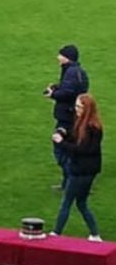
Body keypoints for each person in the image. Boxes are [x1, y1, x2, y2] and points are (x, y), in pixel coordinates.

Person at [51, 94, 103, 241]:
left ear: (87, 109)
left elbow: (81, 149)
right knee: (81, 203)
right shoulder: (85, 124)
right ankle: (95, 234)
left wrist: (61, 143)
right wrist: (63, 133)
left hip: (81, 170)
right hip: (86, 170)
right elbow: (75, 138)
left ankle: (56, 233)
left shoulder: (91, 128)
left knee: (67, 201)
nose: (76, 109)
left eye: (79, 107)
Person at [46, 45, 89, 188]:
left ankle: (73, 180)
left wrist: (53, 94)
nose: (58, 57)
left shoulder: (71, 72)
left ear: (67, 57)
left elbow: (69, 93)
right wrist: (58, 87)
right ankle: (69, 182)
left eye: (60, 55)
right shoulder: (76, 71)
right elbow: (74, 90)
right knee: (68, 149)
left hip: (67, 117)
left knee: (60, 148)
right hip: (72, 115)